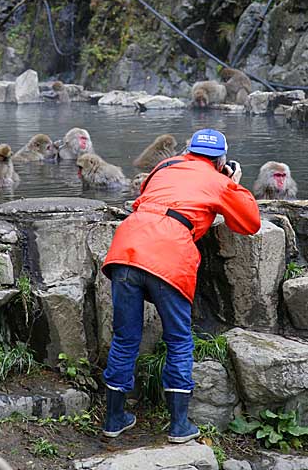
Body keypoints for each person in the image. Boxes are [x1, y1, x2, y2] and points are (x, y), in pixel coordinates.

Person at [101, 128, 261, 443]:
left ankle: (113, 419)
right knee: (178, 341)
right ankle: (179, 426)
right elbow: (250, 222)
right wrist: (233, 183)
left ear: (189, 150)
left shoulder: (164, 166)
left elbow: (144, 198)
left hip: (126, 246)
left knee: (124, 339)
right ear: (221, 160)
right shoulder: (219, 181)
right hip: (169, 253)